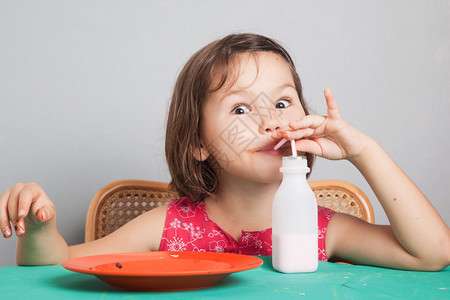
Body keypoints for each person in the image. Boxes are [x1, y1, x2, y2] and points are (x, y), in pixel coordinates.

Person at [1, 33, 449, 270]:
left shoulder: (323, 229)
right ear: (197, 143)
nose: (270, 121)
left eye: (281, 102)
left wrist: (362, 150)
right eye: (240, 108)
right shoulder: (169, 225)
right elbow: (57, 267)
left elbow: (431, 255)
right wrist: (39, 229)